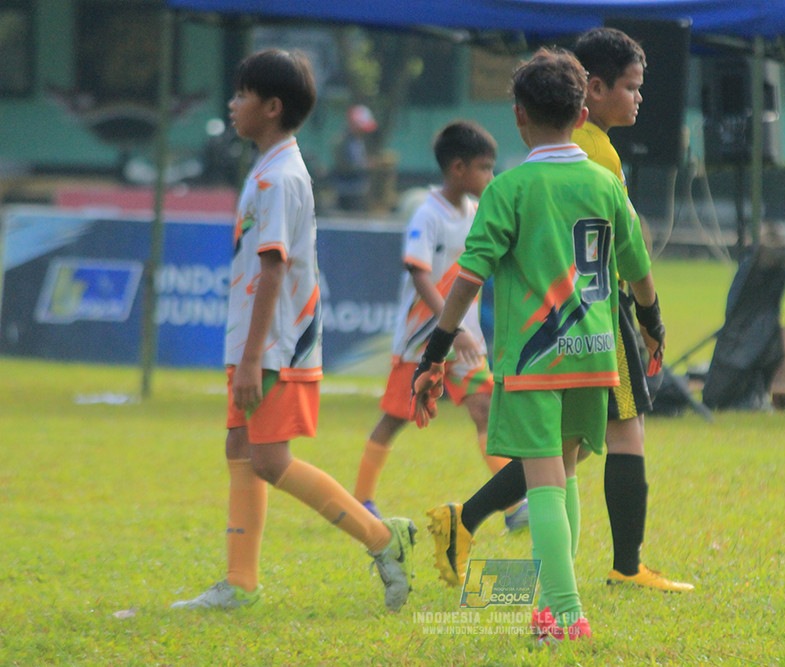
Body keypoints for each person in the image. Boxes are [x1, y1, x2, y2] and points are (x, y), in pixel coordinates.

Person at [425, 27, 693, 595]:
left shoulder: (510, 188)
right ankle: (582, 581)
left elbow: (468, 279)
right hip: (595, 345)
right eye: (630, 86)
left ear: (519, 116)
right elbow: (638, 265)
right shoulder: (601, 176)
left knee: (550, 471)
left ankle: (562, 605)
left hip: (538, 352)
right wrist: (653, 323)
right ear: (582, 107)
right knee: (569, 463)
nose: (639, 97)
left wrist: (435, 350)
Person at [171, 49, 416, 613]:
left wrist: (255, 357)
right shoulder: (266, 169)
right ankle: (240, 584)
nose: (232, 105)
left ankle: (384, 540)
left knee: (270, 460)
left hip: (278, 345)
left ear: (272, 106)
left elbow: (274, 267)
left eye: (241, 95)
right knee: (240, 447)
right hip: (258, 343)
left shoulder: (280, 178)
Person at [353, 120, 527, 530]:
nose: (491, 176)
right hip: (421, 340)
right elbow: (419, 274)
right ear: (457, 169)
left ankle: (513, 508)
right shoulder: (427, 215)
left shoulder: (476, 212)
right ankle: (362, 498)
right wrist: (452, 328)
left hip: (465, 340)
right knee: (394, 417)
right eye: (485, 168)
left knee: (485, 410)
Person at [333, 104, 377, 211]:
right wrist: (366, 165)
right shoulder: (343, 141)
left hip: (359, 191)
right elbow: (344, 166)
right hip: (347, 192)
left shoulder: (358, 140)